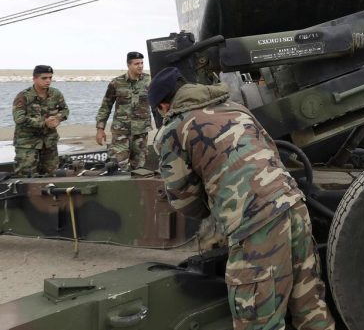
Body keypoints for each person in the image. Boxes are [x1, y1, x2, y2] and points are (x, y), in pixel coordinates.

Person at [148, 67, 334, 330]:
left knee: (257, 319)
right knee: (309, 305)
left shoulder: (172, 131)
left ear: (164, 105)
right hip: (294, 205)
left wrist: (216, 211)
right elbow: (271, 151)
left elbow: (183, 199)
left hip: (255, 223)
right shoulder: (236, 108)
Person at [95, 51, 152, 170]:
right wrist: (100, 129)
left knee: (139, 167)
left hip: (141, 132)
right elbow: (106, 106)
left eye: (142, 63)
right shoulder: (116, 83)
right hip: (120, 132)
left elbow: (160, 103)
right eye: (137, 63)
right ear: (128, 65)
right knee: (119, 165)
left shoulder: (149, 81)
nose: (140, 66)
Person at [11, 65, 69, 177]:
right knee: (26, 176)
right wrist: (44, 123)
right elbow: (19, 118)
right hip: (28, 144)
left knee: (52, 175)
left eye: (50, 78)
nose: (48, 81)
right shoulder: (23, 96)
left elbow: (65, 110)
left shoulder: (55, 94)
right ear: (34, 79)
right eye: (44, 78)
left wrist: (57, 118)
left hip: (49, 142)